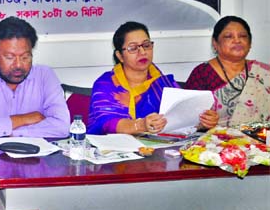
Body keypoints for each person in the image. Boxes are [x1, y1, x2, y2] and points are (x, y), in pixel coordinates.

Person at [88, 22, 217, 135]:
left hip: (157, 154)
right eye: (133, 48)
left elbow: (181, 122)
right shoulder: (106, 84)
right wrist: (140, 125)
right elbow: (105, 123)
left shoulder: (163, 83)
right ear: (120, 56)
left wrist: (202, 123)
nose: (143, 52)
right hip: (113, 154)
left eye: (146, 45)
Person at [0, 17, 69, 141]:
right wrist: (25, 119)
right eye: (9, 57)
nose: (18, 65)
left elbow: (62, 127)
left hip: (36, 158)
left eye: (25, 57)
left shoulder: (45, 76)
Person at [184, 16, 269, 127]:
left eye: (243, 36)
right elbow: (186, 118)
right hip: (212, 141)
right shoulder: (202, 73)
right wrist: (204, 122)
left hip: (260, 141)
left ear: (250, 43)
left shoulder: (264, 73)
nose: (237, 40)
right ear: (215, 43)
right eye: (229, 36)